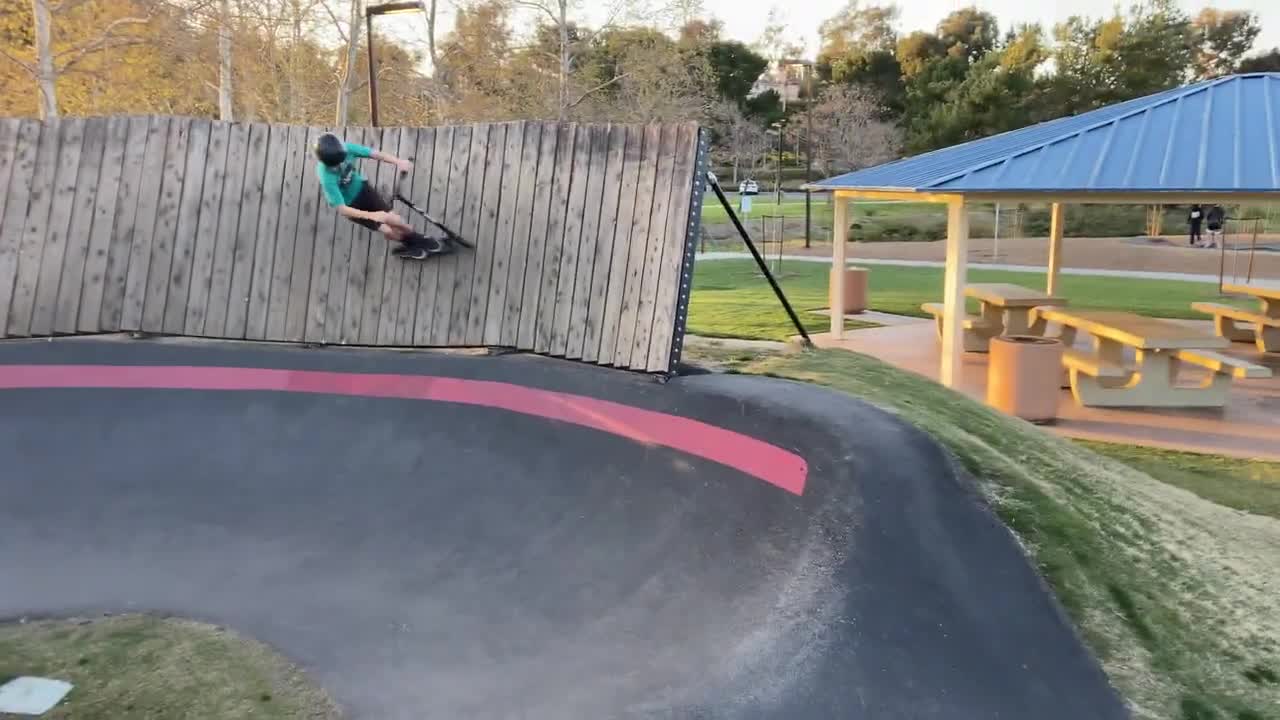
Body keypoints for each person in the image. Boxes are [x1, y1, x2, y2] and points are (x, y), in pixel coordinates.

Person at [313, 133, 438, 260]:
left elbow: (373, 153)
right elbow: (342, 209)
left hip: (364, 191)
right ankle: (410, 243)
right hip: (352, 207)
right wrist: (373, 215)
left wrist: (398, 161)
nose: (340, 166)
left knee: (396, 221)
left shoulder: (345, 148)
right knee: (388, 230)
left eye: (342, 161)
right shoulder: (326, 177)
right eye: (336, 166)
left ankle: (418, 239)